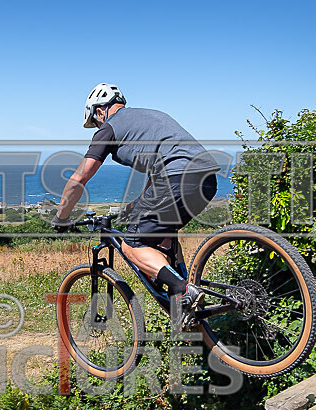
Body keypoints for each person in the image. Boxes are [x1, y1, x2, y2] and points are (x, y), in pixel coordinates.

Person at [51, 83, 220, 316]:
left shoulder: (109, 129)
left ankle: (183, 291)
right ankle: (189, 314)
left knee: (132, 244)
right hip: (206, 178)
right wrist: (134, 206)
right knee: (163, 237)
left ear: (100, 111)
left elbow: (79, 178)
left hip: (175, 178)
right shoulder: (150, 116)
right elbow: (158, 170)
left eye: (96, 121)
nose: (98, 126)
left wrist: (62, 217)